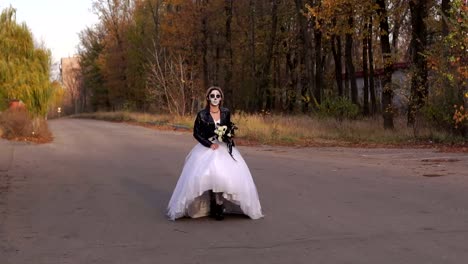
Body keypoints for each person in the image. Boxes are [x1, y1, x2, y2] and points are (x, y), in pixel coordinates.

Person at [167, 86, 263, 221]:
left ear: (221, 98)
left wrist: (227, 136)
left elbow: (229, 127)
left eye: (218, 96)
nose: (215, 99)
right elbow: (196, 133)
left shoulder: (225, 112)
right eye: (212, 96)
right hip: (208, 147)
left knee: (224, 175)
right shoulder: (202, 114)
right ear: (208, 98)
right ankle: (213, 203)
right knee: (209, 175)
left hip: (223, 147)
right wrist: (209, 144)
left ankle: (219, 205)